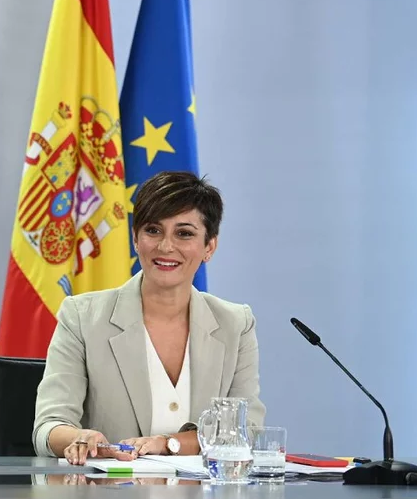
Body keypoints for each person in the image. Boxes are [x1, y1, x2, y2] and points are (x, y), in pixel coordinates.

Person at [33, 170, 265, 464]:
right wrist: (79, 438)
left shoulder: (236, 324)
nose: (166, 246)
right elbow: (48, 427)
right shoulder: (82, 317)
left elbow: (247, 430)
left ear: (209, 247)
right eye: (153, 230)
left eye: (184, 233)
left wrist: (169, 444)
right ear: (135, 238)